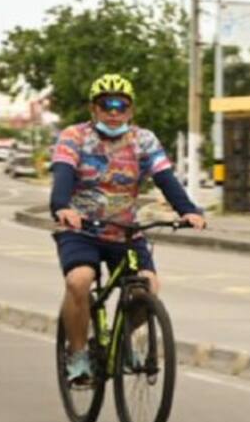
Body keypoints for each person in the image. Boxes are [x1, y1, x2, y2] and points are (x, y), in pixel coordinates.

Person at [50, 73, 206, 385]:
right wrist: (63, 207)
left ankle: (121, 340)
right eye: (105, 105)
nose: (113, 111)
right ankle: (78, 354)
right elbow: (63, 176)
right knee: (80, 281)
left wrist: (188, 211)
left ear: (130, 110)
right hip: (81, 228)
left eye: (120, 105)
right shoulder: (75, 137)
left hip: (125, 231)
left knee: (147, 287)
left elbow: (166, 179)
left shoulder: (143, 140)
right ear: (93, 110)